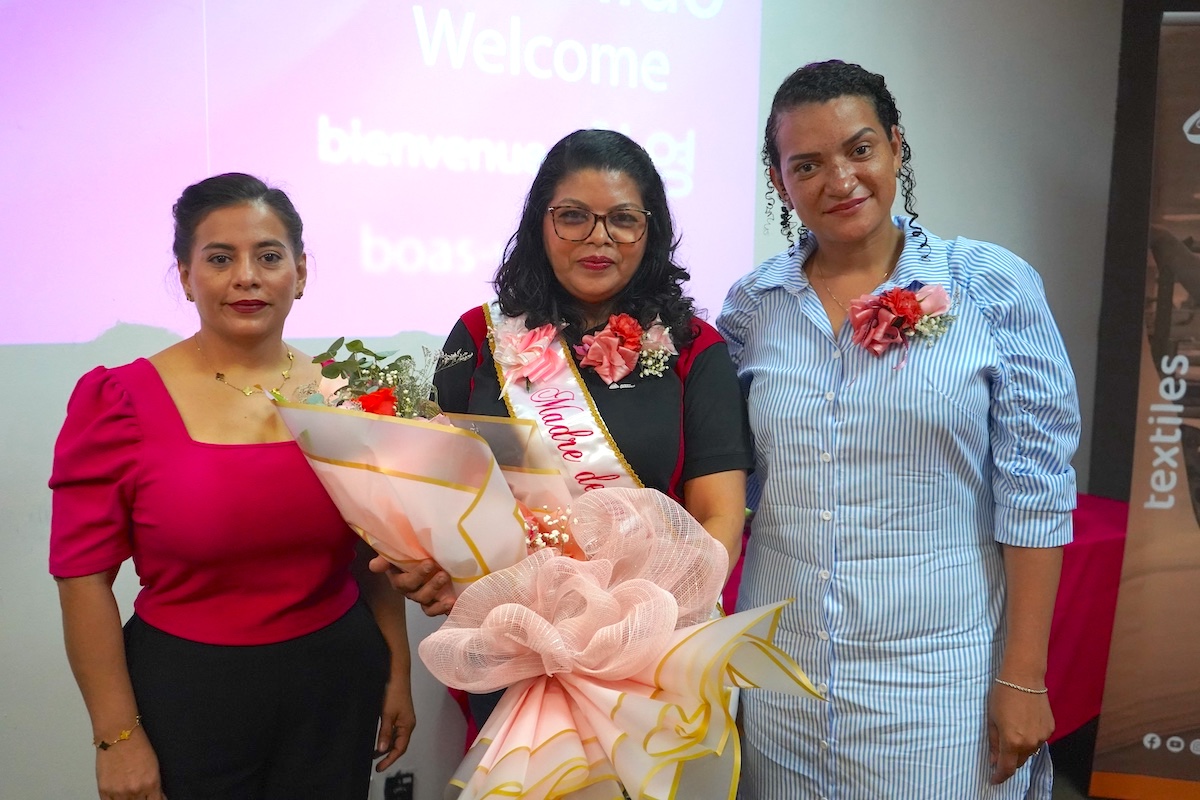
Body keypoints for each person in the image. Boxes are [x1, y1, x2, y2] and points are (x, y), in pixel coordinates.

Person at [717, 61, 1080, 799]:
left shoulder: (987, 286)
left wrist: (1025, 678)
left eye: (860, 149)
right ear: (778, 179)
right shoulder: (753, 307)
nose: (840, 179)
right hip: (782, 676)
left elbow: (1037, 491)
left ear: (896, 146)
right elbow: (722, 473)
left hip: (940, 682)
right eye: (807, 164)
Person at [49, 173, 414, 800]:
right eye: (220, 258)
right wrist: (116, 738)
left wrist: (396, 669)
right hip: (187, 696)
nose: (247, 276)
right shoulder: (120, 400)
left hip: (335, 684)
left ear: (300, 272)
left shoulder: (346, 394)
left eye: (269, 257)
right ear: (186, 276)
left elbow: (372, 553)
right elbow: (83, 579)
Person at [374, 129, 754, 727]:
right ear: (540, 224)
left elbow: (720, 517)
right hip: (513, 645)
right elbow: (440, 494)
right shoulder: (480, 335)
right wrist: (423, 564)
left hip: (647, 654)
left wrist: (649, 625)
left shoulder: (691, 348)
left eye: (623, 219)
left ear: (650, 230)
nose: (598, 237)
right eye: (573, 216)